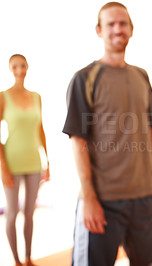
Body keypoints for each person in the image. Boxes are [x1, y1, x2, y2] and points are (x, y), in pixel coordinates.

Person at [62, 2, 152, 266]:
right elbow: (78, 141)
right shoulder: (84, 78)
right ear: (99, 30)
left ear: (132, 30)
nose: (117, 29)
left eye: (123, 23)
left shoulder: (141, 76)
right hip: (103, 201)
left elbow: (151, 132)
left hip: (143, 197)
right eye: (110, 24)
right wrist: (89, 198)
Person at [0, 54, 50, 266]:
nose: (19, 70)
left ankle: (29, 257)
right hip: (12, 162)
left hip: (34, 162)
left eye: (22, 66)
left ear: (27, 67)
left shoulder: (37, 97)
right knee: (12, 213)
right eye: (15, 66)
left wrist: (47, 161)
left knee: (30, 213)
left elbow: (40, 130)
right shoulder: (3, 96)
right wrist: (3, 167)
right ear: (10, 69)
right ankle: (16, 260)